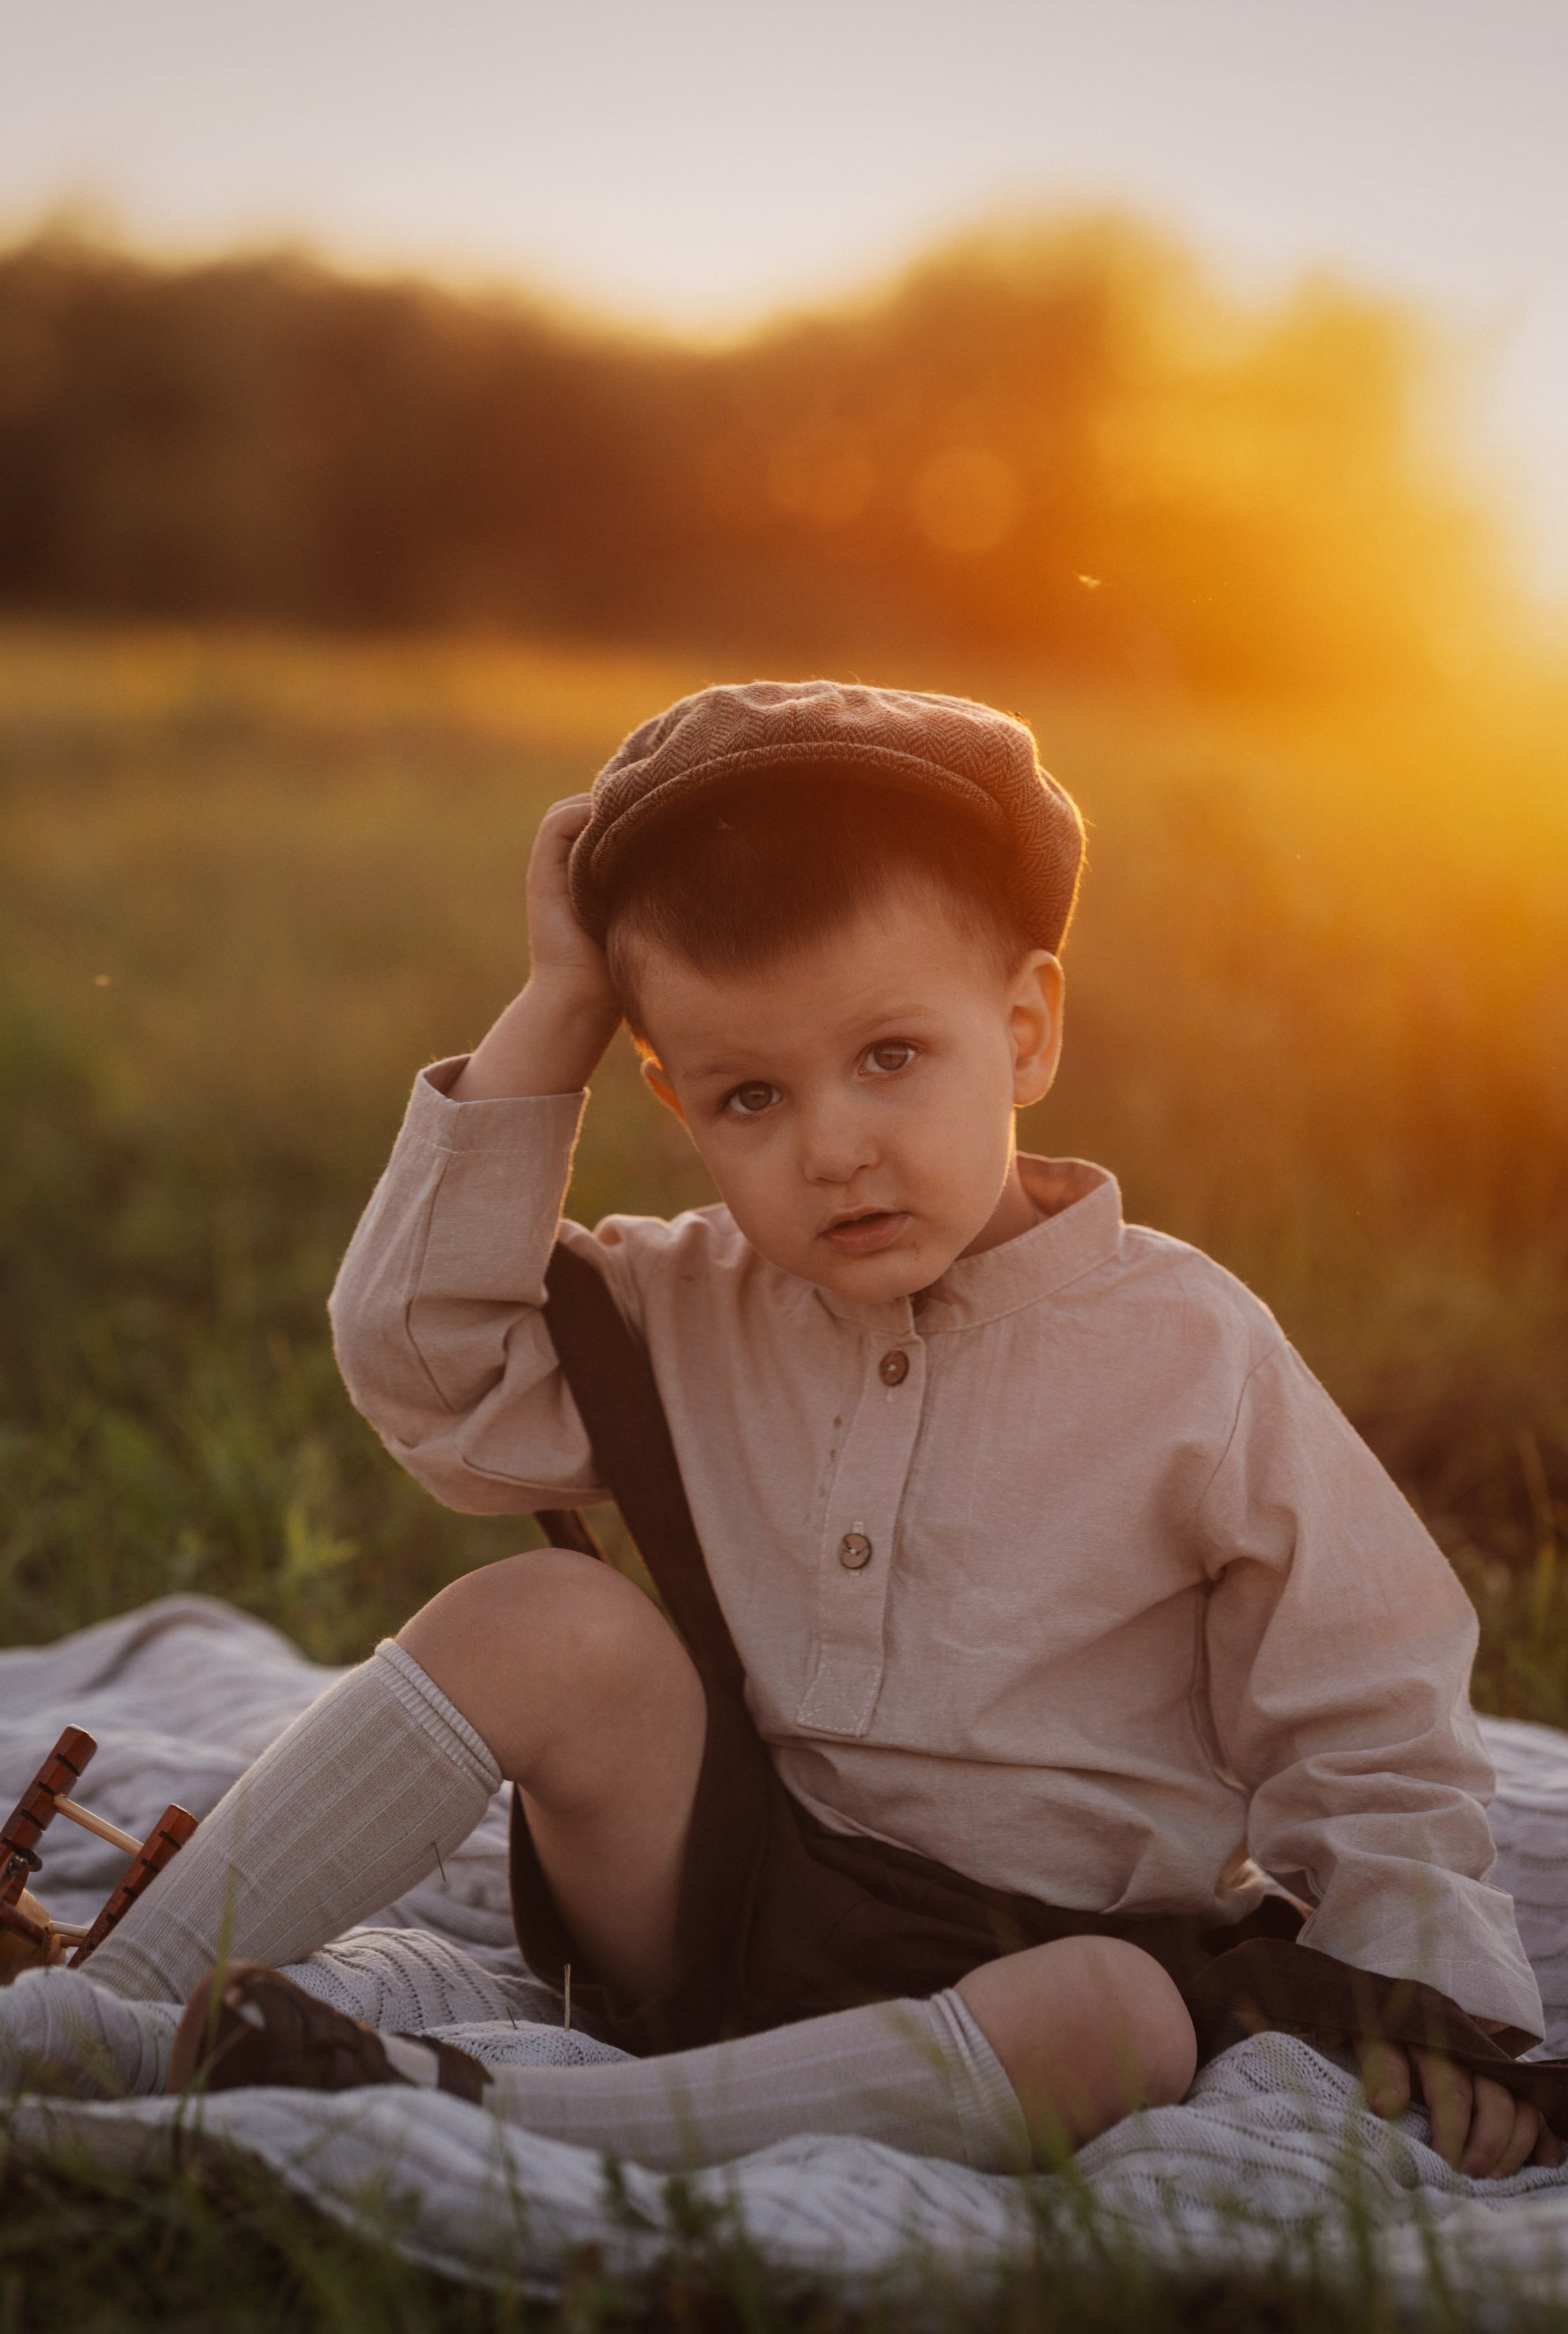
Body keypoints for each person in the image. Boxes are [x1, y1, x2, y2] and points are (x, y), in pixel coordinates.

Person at [86, 682, 1558, 2178]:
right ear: (668, 1095)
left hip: (1030, 1959)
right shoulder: (685, 1297)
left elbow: (1368, 1714)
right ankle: (104, 2009)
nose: (831, 1147)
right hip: (722, 1890)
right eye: (748, 1096)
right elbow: (424, 1366)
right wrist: (557, 1009)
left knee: (1125, 2016)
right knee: (544, 1618)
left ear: (1026, 1027)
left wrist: (1428, 2013)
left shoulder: (1188, 1350)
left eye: (891, 1059)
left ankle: (481, 2114)